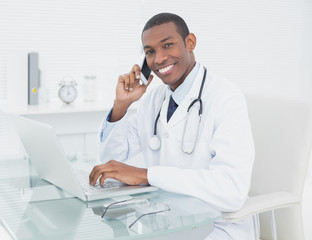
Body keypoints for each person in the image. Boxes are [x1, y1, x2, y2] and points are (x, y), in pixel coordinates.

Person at [89, 13, 256, 239]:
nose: (158, 59)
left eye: (167, 45)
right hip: (167, 222)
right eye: (150, 51)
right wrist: (121, 105)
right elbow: (111, 159)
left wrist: (148, 175)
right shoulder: (153, 100)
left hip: (218, 227)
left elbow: (231, 191)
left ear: (190, 42)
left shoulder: (225, 98)